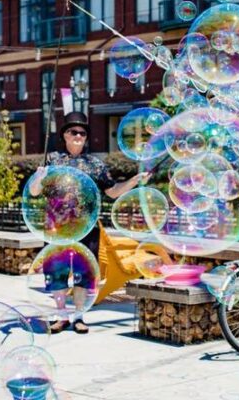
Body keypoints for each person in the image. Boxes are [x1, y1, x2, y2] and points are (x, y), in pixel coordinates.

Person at [28, 111, 146, 334]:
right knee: (57, 273)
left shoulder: (95, 164)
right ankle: (62, 316)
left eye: (82, 133)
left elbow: (112, 192)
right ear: (64, 135)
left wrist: (133, 181)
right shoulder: (52, 160)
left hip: (87, 228)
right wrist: (39, 177)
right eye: (73, 131)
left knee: (83, 273)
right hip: (57, 228)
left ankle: (79, 317)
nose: (78, 136)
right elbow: (34, 192)